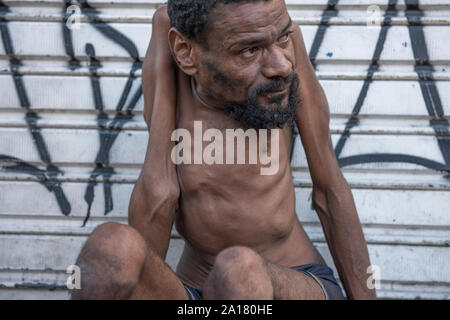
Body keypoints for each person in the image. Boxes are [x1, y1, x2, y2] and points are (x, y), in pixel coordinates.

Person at [72, 0, 376, 300]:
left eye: (283, 38)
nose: (283, 65)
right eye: (250, 50)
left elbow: (330, 190)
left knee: (239, 273)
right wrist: (145, 284)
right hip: (198, 293)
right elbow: (160, 188)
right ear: (185, 52)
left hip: (295, 281)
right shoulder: (176, 32)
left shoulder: (272, 33)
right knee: (110, 250)